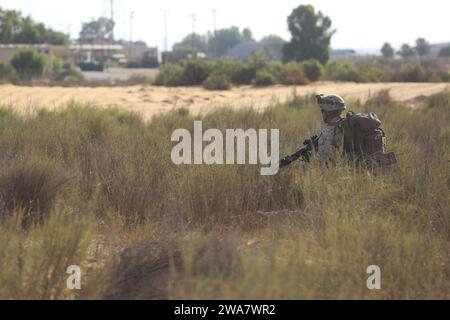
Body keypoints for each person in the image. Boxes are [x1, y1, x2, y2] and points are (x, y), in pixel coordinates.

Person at [315, 94, 346, 163]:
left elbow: (321, 159)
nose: (322, 113)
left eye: (322, 110)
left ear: (328, 112)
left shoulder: (330, 130)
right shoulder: (345, 124)